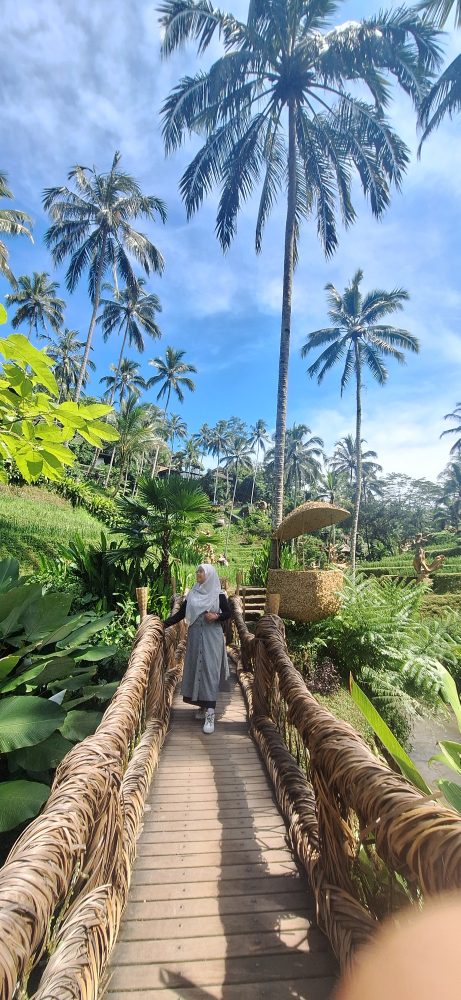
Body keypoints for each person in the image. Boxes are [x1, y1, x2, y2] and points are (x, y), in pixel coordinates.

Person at [164, 563, 231, 734]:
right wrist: (163, 624)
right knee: (197, 670)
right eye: (197, 571)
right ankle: (202, 707)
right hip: (194, 637)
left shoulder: (218, 594)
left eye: (201, 571)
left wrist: (216, 616)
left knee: (209, 671)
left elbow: (228, 613)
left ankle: (210, 714)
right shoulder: (193, 593)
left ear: (209, 575)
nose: (198, 573)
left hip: (212, 638)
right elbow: (181, 614)